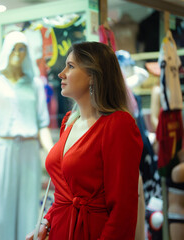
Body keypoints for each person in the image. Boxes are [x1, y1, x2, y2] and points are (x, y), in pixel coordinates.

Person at [26, 42, 143, 240]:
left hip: (93, 232)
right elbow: (63, 194)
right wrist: (46, 222)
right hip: (60, 230)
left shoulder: (118, 125)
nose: (61, 73)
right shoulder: (69, 122)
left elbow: (123, 210)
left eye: (70, 66)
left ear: (93, 75)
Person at [0, 31, 54, 240]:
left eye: (22, 49)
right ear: (6, 49)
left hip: (29, 149)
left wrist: (52, 151)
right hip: (2, 147)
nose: (18, 53)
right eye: (14, 48)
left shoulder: (34, 83)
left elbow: (42, 123)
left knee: (28, 205)